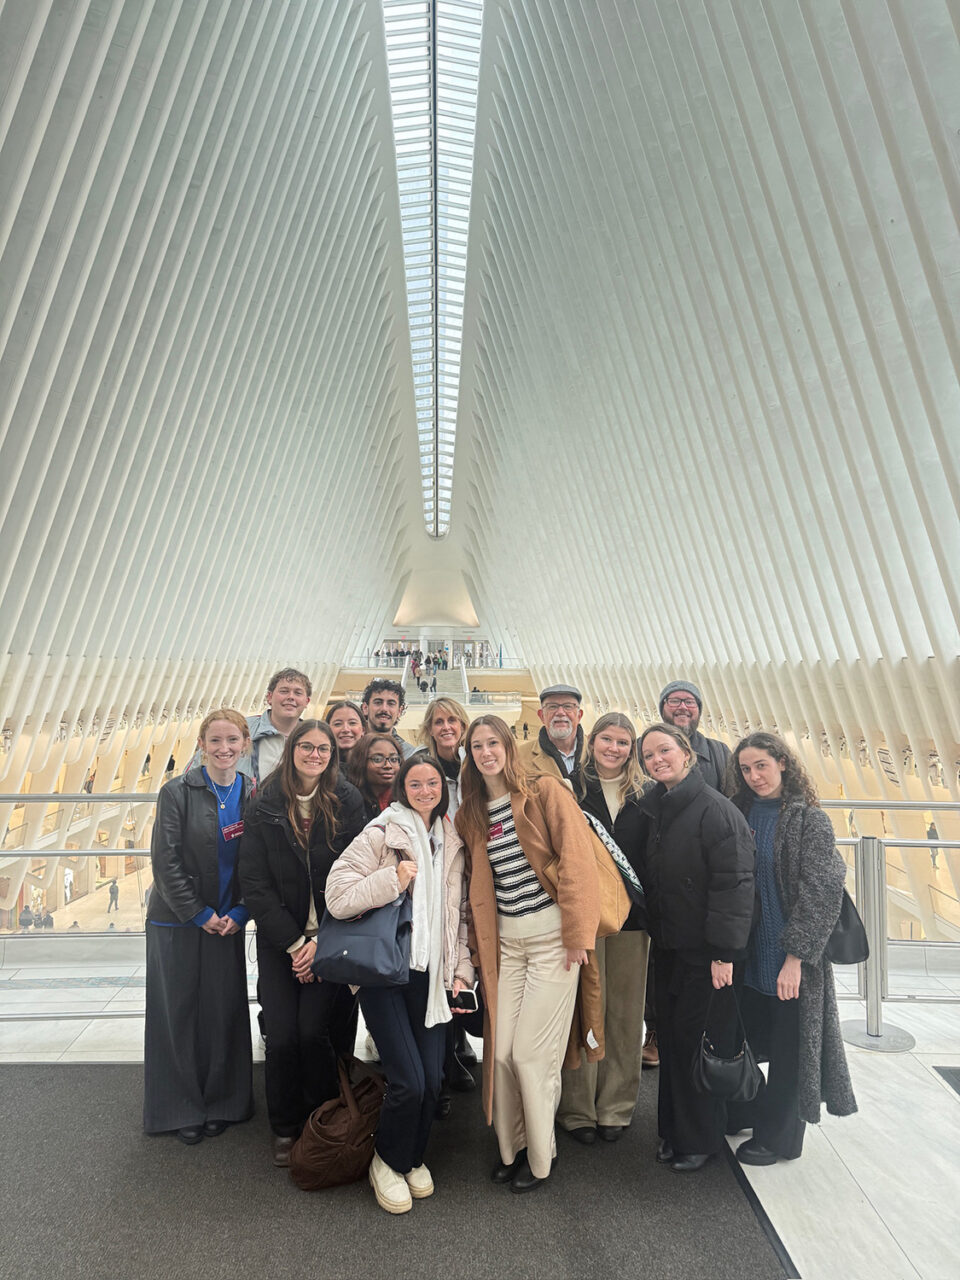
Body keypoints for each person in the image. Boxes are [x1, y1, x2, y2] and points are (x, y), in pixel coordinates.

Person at [455, 715, 601, 1193]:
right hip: (507, 946)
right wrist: (476, 955)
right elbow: (477, 890)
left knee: (532, 1056)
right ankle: (512, 1148)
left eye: (492, 742)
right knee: (499, 1056)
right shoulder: (472, 811)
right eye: (476, 746)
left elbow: (578, 861)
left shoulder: (544, 791)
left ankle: (542, 1158)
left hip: (552, 940)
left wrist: (577, 935)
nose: (485, 752)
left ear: (508, 746)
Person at [325, 756, 474, 1215]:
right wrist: (393, 878)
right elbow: (338, 895)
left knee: (431, 1080)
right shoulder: (381, 832)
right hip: (386, 974)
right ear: (403, 788)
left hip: (431, 978)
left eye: (433, 782)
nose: (426, 789)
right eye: (416, 782)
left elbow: (460, 916)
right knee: (408, 1081)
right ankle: (386, 1161)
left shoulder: (452, 840)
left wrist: (462, 971)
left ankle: (412, 1157)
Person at [725, 732, 857, 1164]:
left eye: (762, 765)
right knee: (750, 1041)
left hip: (791, 962)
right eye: (746, 769)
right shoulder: (739, 812)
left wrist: (795, 959)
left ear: (783, 763)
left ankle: (778, 1139)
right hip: (749, 958)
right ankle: (747, 1111)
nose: (754, 776)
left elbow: (821, 893)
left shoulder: (808, 821)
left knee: (788, 1052)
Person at [238, 720, 365, 1167]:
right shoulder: (265, 803)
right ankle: (286, 1126)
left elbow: (358, 873)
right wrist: (294, 944)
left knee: (314, 1033)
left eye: (323, 748)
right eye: (307, 747)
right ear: (292, 750)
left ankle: (322, 1116)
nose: (315, 754)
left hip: (330, 938)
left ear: (333, 753)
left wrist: (322, 940)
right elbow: (254, 883)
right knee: (282, 1036)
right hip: (281, 943)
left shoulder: (347, 801)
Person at [636, 722, 755, 1173]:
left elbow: (734, 886)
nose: (656, 760)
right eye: (648, 756)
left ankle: (700, 1138)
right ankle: (673, 1129)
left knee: (695, 1045)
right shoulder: (660, 807)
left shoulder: (715, 811)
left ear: (686, 752)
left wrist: (724, 954)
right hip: (670, 948)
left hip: (706, 957)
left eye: (664, 750)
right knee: (671, 1040)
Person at [143, 708, 255, 1144]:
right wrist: (199, 913)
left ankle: (224, 1102)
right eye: (215, 741)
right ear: (202, 745)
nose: (224, 748)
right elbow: (165, 862)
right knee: (179, 1013)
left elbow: (258, 862)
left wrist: (240, 913)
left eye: (232, 740)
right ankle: (180, 1107)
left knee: (223, 1011)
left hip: (229, 921)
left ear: (245, 744)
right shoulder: (176, 792)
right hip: (178, 923)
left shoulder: (253, 793)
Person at [559, 713, 650, 1145]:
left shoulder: (647, 795)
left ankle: (616, 1105)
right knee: (583, 1009)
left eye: (623, 742)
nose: (614, 748)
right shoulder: (572, 790)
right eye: (606, 740)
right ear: (591, 741)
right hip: (586, 919)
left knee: (625, 1014)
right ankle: (578, 1107)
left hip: (634, 923)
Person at [645, 680, 732, 1070]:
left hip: (701, 884)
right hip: (661, 880)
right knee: (658, 971)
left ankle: (696, 1049)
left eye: (689, 701)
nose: (682, 707)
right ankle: (656, 1032)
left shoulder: (719, 753)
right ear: (662, 707)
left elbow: (733, 807)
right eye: (674, 701)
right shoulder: (648, 749)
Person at [415, 696, 476, 1095]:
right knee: (441, 955)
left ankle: (459, 1037)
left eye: (453, 720)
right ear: (429, 728)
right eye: (439, 721)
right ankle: (441, 1056)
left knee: (465, 955)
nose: (446, 727)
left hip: (475, 864)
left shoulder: (475, 766)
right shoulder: (423, 766)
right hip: (437, 868)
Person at [184, 668, 312, 783]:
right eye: (284, 691)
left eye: (298, 693)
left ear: (307, 701)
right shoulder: (239, 729)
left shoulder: (314, 738)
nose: (290, 697)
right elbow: (191, 774)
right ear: (269, 697)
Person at [515, 684, 585, 790]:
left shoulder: (597, 752)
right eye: (552, 706)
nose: (560, 712)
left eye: (568, 706)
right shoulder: (520, 757)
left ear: (579, 715)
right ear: (542, 716)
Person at [345, 733, 403, 821]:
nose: (388, 765)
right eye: (377, 759)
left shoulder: (406, 800)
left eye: (394, 759)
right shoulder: (348, 800)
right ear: (361, 762)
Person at [361, 678, 417, 759]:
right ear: (365, 708)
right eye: (378, 702)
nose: (384, 709)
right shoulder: (350, 748)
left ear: (399, 711)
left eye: (391, 703)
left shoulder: (409, 756)